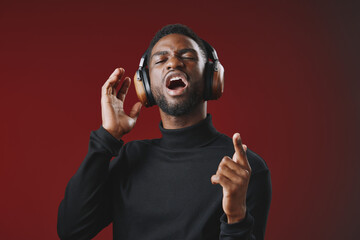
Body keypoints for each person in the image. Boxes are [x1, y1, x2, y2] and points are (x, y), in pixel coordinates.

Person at [57, 24, 271, 240]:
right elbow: (72, 230)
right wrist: (107, 138)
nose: (174, 63)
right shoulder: (131, 158)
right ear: (146, 84)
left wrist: (236, 218)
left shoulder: (241, 169)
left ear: (211, 77)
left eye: (187, 57)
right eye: (160, 60)